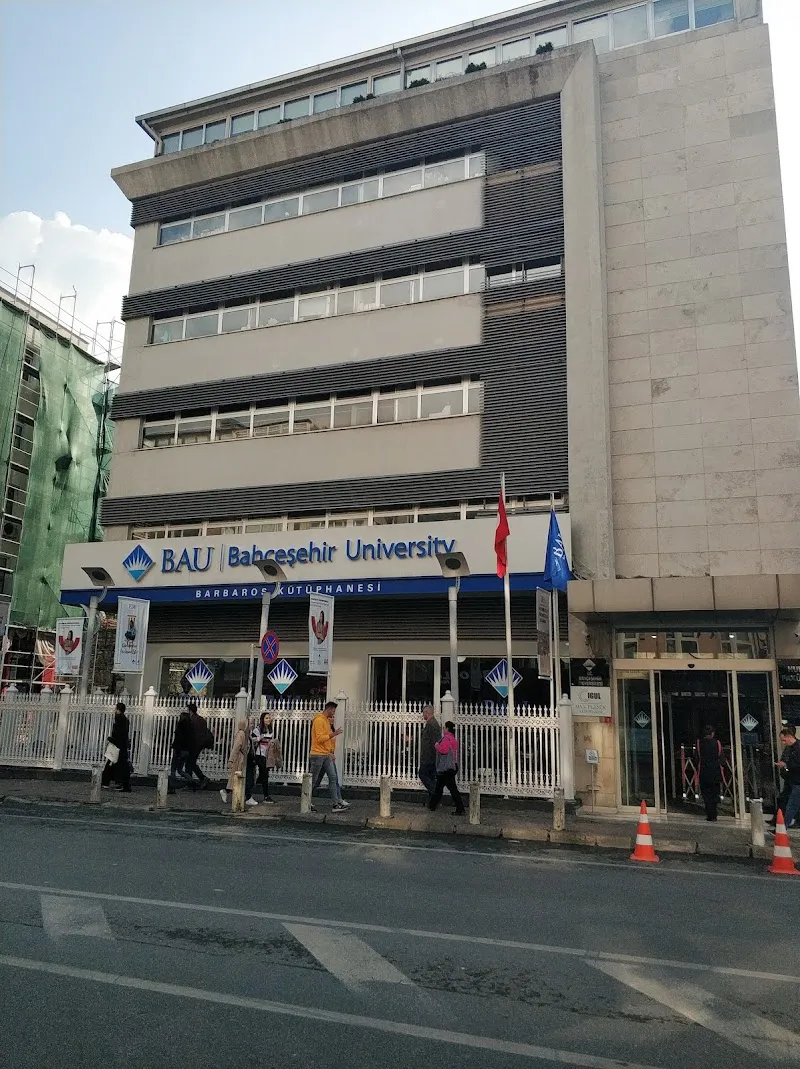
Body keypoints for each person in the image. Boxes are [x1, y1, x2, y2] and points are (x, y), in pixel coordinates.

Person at [309, 701, 349, 812]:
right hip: (317, 755)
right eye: (333, 711)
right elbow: (320, 738)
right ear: (329, 709)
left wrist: (330, 752)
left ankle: (336, 804)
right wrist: (333, 734)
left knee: (333, 777)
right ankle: (307, 801)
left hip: (326, 755)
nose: (334, 713)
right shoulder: (319, 720)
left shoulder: (326, 721)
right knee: (313, 780)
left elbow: (328, 740)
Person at [428, 720, 464, 815]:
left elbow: (443, 750)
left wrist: (437, 746)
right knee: (440, 787)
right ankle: (432, 805)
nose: (443, 729)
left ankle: (460, 808)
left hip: (445, 768)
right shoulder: (453, 739)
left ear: (447, 729)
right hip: (452, 766)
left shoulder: (446, 739)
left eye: (444, 728)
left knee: (449, 789)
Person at [220, 719, 259, 807]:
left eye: (253, 723)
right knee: (244, 778)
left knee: (241, 779)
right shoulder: (241, 734)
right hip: (241, 760)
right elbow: (236, 747)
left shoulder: (247, 734)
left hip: (247, 760)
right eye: (250, 723)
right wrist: (231, 760)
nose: (252, 725)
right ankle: (248, 797)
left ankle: (226, 791)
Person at [251, 712, 283, 803]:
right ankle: (265, 796)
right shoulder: (258, 729)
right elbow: (252, 739)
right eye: (266, 718)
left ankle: (250, 792)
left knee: (262, 776)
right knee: (264, 776)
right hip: (259, 755)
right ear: (262, 719)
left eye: (269, 718)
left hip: (267, 755)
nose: (269, 719)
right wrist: (259, 738)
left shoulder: (270, 730)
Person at [101, 702, 131, 792]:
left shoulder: (119, 720)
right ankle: (108, 782)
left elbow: (119, 734)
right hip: (121, 746)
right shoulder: (125, 720)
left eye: (116, 709)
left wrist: (111, 739)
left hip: (117, 747)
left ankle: (109, 782)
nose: (115, 711)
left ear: (118, 710)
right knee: (114, 764)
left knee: (114, 764)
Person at [776, 725, 800, 831]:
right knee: (789, 802)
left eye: (784, 740)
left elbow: (797, 764)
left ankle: (783, 826)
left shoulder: (797, 748)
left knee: (792, 804)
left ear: (789, 736)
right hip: (792, 780)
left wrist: (786, 765)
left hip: (797, 781)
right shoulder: (790, 749)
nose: (783, 743)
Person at [697, 724, 722, 822]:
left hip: (704, 771)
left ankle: (710, 813)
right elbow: (721, 758)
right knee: (714, 793)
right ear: (712, 733)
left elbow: (697, 757)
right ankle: (714, 813)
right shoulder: (717, 743)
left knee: (706, 794)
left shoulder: (700, 744)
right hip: (715, 771)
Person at [185, 700, 212, 789]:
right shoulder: (201, 719)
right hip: (199, 745)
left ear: (190, 711)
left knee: (189, 763)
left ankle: (193, 782)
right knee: (191, 763)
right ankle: (198, 779)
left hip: (193, 745)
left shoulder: (191, 720)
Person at [418, 704, 442, 803]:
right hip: (431, 757)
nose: (423, 715)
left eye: (424, 713)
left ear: (427, 713)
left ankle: (435, 793)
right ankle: (432, 802)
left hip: (429, 757)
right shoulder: (433, 724)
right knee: (431, 778)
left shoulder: (431, 725)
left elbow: (434, 742)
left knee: (422, 774)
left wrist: (433, 756)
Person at [168, 707, 193, 792]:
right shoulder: (190, 727)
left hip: (179, 750)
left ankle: (172, 787)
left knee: (173, 769)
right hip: (186, 750)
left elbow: (178, 740)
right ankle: (191, 782)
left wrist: (177, 751)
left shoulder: (180, 726)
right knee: (180, 770)